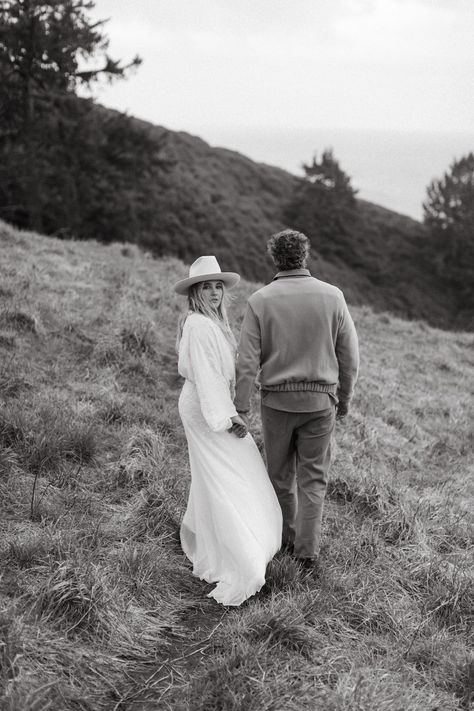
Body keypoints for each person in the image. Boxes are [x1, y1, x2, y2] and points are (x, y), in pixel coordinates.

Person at [234, 230, 359, 570]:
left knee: (278, 476)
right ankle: (307, 553)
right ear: (305, 256)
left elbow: (246, 361)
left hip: (276, 403)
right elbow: (350, 357)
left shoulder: (260, 301)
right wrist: (343, 400)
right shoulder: (333, 297)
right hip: (321, 404)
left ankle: (283, 542)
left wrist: (241, 406)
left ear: (275, 258)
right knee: (313, 478)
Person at [174, 255, 282, 606]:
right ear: (195, 292)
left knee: (226, 471)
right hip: (206, 408)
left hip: (213, 403)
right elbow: (206, 375)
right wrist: (226, 417)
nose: (215, 292)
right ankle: (240, 555)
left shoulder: (214, 322)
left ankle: (225, 540)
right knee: (228, 470)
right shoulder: (199, 326)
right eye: (207, 286)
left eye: (218, 285)